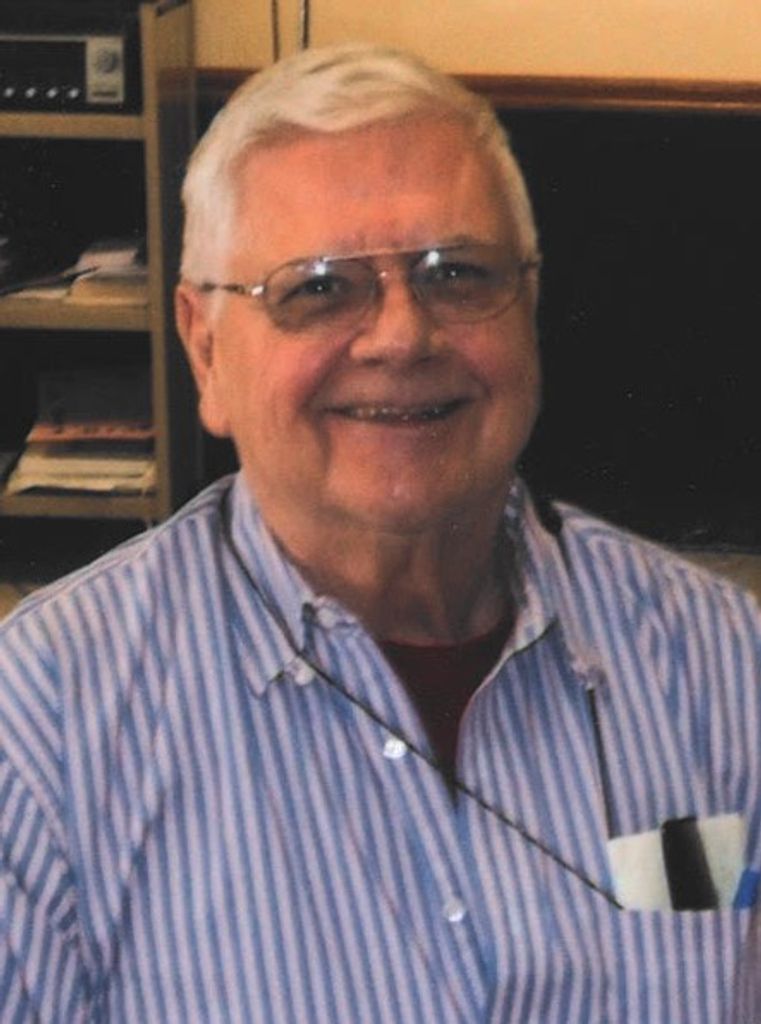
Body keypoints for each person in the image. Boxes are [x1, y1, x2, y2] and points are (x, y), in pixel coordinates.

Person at [1, 43, 760, 1023]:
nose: (402, 335)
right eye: (318, 287)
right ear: (205, 349)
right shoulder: (42, 732)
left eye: (456, 274)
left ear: (526, 310)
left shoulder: (720, 671)